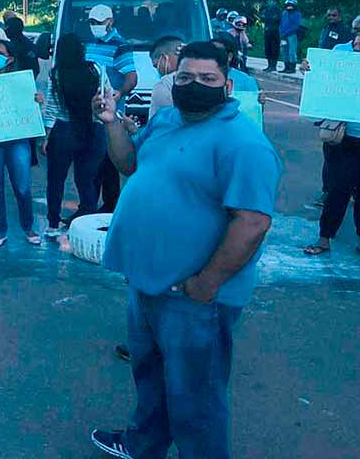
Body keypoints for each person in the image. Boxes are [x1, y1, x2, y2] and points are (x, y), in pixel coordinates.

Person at [90, 41, 281, 459]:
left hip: (193, 297)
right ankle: (144, 445)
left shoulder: (242, 143)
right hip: (147, 282)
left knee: (196, 399)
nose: (195, 85)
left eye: (207, 79)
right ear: (173, 80)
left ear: (227, 84)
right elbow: (129, 165)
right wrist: (111, 124)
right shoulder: (167, 121)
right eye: (186, 77)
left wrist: (206, 283)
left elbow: (252, 223)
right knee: (150, 375)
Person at [303, 29, 360, 257]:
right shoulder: (342, 68)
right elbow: (322, 85)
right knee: (337, 190)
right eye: (357, 45)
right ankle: (324, 238)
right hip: (344, 141)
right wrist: (310, 71)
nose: (359, 50)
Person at [0, 40, 42, 246]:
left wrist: (38, 101)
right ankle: (0, 229)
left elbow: (32, 111)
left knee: (22, 186)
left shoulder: (22, 83)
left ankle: (28, 226)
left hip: (17, 139)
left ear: (10, 58)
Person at [41, 34, 109, 238]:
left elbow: (52, 109)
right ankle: (88, 224)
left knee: (56, 179)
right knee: (87, 180)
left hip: (64, 131)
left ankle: (53, 224)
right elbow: (106, 94)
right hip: (93, 129)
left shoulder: (57, 73)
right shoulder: (95, 69)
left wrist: (46, 136)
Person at [86, 4, 138, 214]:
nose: (95, 26)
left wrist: (119, 93)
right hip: (92, 109)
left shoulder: (120, 46)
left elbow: (132, 77)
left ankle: (111, 207)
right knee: (93, 162)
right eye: (92, 22)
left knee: (108, 162)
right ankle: (89, 206)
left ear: (110, 22)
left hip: (109, 112)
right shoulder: (91, 43)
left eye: (99, 23)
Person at [147, 35, 185, 118]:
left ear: (164, 58)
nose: (158, 70)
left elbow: (156, 125)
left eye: (156, 65)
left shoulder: (165, 83)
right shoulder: (207, 76)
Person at [3, 11, 40, 76]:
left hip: (22, 77)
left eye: (6, 27)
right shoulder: (26, 42)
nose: (5, 30)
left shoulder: (16, 45)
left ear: (11, 28)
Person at [279, 0, 302, 73]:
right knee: (284, 51)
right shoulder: (284, 13)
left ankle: (292, 68)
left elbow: (296, 25)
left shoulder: (297, 14)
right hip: (283, 36)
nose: (289, 7)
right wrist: (281, 33)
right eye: (288, 5)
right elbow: (281, 24)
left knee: (292, 51)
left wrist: (286, 33)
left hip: (292, 35)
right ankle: (286, 67)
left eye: (291, 5)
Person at [261, 0, 282, 72]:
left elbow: (277, 19)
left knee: (275, 49)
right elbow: (262, 18)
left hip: (275, 32)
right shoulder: (265, 10)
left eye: (273, 1)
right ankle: (269, 65)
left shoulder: (278, 11)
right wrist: (270, 18)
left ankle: (273, 66)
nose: (271, 2)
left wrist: (269, 18)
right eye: (270, 0)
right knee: (267, 49)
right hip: (267, 32)